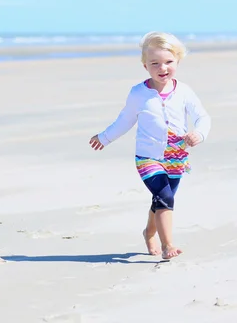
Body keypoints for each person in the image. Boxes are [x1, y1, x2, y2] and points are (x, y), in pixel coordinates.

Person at [89, 31, 211, 260]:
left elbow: (203, 117)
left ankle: (149, 232)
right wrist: (104, 138)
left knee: (160, 200)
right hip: (148, 158)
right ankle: (168, 245)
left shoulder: (184, 91)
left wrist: (199, 134)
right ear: (145, 66)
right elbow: (125, 120)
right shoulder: (138, 93)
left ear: (177, 61)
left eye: (168, 62)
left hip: (177, 158)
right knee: (166, 197)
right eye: (155, 63)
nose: (162, 68)